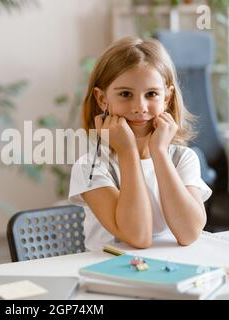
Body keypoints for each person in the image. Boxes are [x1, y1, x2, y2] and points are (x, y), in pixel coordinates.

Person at [68, 36, 212, 251]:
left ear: (167, 98)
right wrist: (127, 153)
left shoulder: (182, 158)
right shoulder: (90, 167)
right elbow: (138, 237)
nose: (140, 107)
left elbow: (189, 233)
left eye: (152, 94)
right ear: (102, 99)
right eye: (125, 94)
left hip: (169, 271)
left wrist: (160, 153)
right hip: (111, 276)